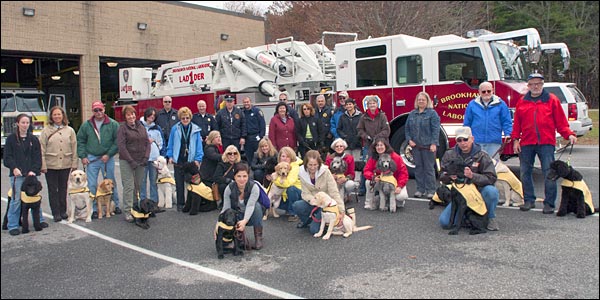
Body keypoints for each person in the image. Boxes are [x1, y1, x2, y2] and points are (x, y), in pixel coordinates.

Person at [511, 73, 577, 214]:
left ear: (542, 84)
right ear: (528, 86)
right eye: (532, 84)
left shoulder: (552, 100)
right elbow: (517, 124)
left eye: (538, 83)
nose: (535, 86)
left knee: (549, 173)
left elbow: (561, 122)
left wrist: (569, 134)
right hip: (527, 142)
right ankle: (528, 200)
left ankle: (549, 204)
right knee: (525, 172)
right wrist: (515, 139)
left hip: (546, 142)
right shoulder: (522, 101)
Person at [438, 126, 500, 231]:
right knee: (444, 222)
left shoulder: (482, 155)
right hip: (459, 193)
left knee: (491, 191)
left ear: (472, 139)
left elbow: (491, 178)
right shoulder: (449, 154)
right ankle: (466, 217)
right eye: (459, 140)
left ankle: (490, 217)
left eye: (465, 139)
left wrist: (472, 176)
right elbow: (441, 175)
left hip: (477, 192)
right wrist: (449, 177)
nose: (463, 143)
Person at [3, 114, 48, 236]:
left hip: (31, 174)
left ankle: (39, 220)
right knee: (16, 199)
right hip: (17, 175)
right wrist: (14, 168)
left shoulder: (33, 139)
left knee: (35, 198)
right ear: (17, 123)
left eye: (27, 123)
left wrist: (33, 170)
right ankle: (12, 224)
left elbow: (37, 157)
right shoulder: (11, 139)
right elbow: (7, 157)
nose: (25, 125)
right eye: (22, 122)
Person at [77, 101, 122, 218]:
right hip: (92, 158)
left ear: (104, 110)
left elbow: (117, 141)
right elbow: (80, 141)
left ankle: (115, 205)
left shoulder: (113, 124)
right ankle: (94, 208)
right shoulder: (86, 125)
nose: (98, 112)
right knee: (92, 184)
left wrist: (109, 154)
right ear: (93, 111)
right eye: (95, 110)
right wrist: (83, 156)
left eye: (100, 110)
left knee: (111, 182)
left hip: (108, 158)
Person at [40, 106, 78, 222]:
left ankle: (63, 211)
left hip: (65, 164)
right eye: (55, 114)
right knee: (53, 189)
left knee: (63, 188)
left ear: (63, 116)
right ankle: (55, 212)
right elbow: (41, 148)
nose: (57, 116)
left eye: (59, 114)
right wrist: (43, 165)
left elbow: (74, 147)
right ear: (51, 116)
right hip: (51, 165)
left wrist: (74, 163)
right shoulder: (46, 131)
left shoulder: (70, 130)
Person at [293, 150, 344, 233]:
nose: (312, 167)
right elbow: (305, 193)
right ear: (305, 164)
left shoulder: (326, 172)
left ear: (319, 164)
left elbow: (334, 192)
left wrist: (342, 211)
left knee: (314, 231)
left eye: (315, 165)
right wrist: (314, 200)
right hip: (313, 201)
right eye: (310, 165)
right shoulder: (301, 172)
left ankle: (324, 223)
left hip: (326, 204)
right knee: (297, 205)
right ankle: (307, 221)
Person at [166, 107, 204, 211]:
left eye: (187, 118)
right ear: (180, 119)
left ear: (190, 118)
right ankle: (180, 203)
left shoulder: (196, 129)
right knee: (179, 183)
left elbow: (199, 146)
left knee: (192, 183)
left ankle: (191, 203)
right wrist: (170, 156)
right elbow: (171, 143)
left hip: (191, 160)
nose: (185, 120)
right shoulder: (175, 128)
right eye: (183, 118)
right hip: (179, 159)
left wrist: (198, 159)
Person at [220, 163, 265, 250]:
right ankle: (237, 236)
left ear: (248, 176)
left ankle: (258, 237)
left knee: (257, 206)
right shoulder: (229, 188)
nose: (242, 179)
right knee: (229, 213)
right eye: (239, 176)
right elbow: (226, 208)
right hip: (237, 216)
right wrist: (218, 225)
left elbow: (250, 206)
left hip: (252, 215)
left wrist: (244, 221)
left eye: (244, 176)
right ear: (234, 176)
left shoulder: (254, 187)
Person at [117, 105, 150, 222]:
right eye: (128, 115)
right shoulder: (122, 128)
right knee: (129, 186)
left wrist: (146, 157)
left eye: (133, 114)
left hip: (141, 160)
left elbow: (147, 142)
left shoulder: (141, 126)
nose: (131, 117)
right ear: (125, 117)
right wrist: (131, 161)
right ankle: (127, 210)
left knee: (138, 186)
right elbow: (121, 147)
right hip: (127, 161)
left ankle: (135, 207)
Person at [405, 92, 440, 199]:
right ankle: (420, 189)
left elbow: (436, 130)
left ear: (427, 101)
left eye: (423, 100)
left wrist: (434, 143)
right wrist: (409, 140)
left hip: (428, 146)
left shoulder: (432, 114)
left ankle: (431, 190)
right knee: (418, 168)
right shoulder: (412, 114)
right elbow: (407, 129)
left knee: (429, 168)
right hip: (416, 147)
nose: (421, 101)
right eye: (419, 100)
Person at [463, 81, 513, 157]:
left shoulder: (501, 104)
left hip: (494, 142)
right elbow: (467, 123)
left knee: (492, 166)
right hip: (476, 142)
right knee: (476, 166)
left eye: (489, 91)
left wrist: (508, 134)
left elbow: (506, 121)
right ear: (479, 92)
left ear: (492, 90)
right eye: (483, 91)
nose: (486, 93)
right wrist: (466, 137)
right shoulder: (472, 104)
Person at [363, 137, 409, 211]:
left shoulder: (396, 157)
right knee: (368, 182)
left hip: (395, 183)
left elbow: (404, 173)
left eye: (381, 145)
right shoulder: (373, 158)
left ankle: (399, 202)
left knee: (401, 196)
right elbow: (366, 171)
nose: (379, 147)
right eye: (377, 145)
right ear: (375, 147)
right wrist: (373, 177)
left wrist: (400, 186)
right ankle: (368, 203)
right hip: (381, 181)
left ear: (386, 146)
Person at [270, 146, 303, 222]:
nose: (285, 158)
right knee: (273, 199)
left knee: (291, 189)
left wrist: (275, 180)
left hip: (298, 193)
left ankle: (293, 213)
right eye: (283, 156)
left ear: (291, 157)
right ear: (280, 157)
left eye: (287, 156)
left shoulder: (295, 167)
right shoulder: (280, 166)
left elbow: (288, 183)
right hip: (284, 195)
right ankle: (288, 208)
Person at [140, 107, 163, 204]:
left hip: (154, 158)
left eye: (154, 116)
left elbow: (161, 142)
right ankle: (142, 201)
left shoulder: (157, 128)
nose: (152, 117)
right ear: (146, 115)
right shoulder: (139, 126)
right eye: (150, 115)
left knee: (154, 181)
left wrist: (161, 154)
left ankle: (154, 202)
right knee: (142, 181)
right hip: (142, 158)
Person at [337, 98, 363, 181]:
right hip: (346, 143)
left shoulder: (360, 116)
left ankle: (357, 180)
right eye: (347, 104)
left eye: (350, 104)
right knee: (346, 162)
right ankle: (347, 179)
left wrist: (357, 137)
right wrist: (344, 136)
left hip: (357, 143)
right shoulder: (342, 117)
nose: (348, 106)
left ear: (354, 105)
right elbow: (338, 129)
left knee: (356, 162)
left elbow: (362, 128)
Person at [325, 138, 358, 202]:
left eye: (341, 146)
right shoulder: (329, 158)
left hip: (345, 179)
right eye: (337, 146)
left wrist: (345, 178)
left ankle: (346, 194)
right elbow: (326, 171)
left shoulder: (349, 158)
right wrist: (331, 176)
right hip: (333, 179)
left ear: (344, 147)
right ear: (334, 148)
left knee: (350, 184)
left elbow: (352, 174)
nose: (339, 148)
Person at [241, 96, 266, 164]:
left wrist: (261, 136)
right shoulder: (241, 112)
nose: (246, 103)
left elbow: (262, 124)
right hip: (247, 138)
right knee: (249, 157)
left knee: (260, 156)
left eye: (247, 102)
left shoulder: (257, 111)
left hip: (256, 137)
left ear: (250, 102)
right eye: (244, 102)